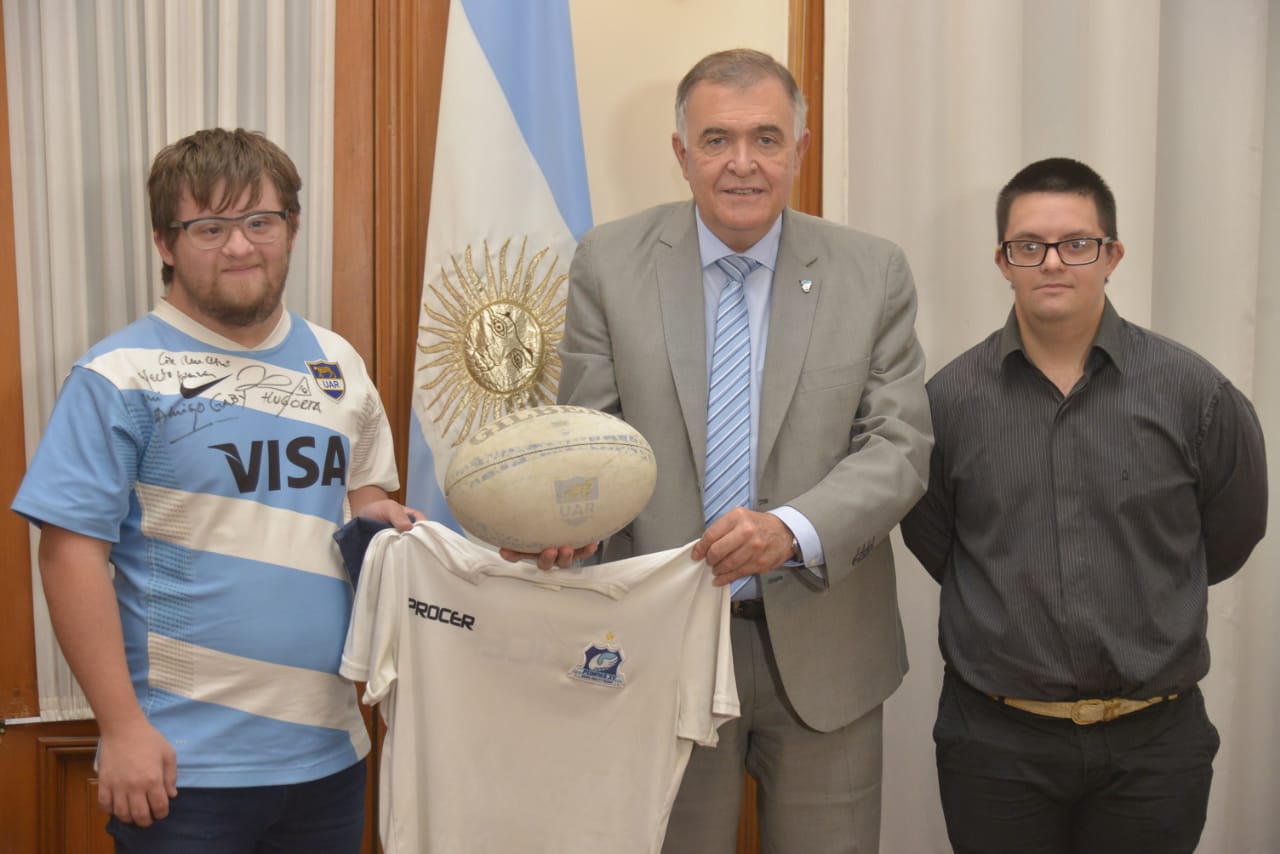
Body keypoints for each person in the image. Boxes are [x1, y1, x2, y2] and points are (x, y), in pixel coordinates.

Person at [553, 49, 932, 853]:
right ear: (681, 152)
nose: (743, 163)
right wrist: (563, 521)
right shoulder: (608, 263)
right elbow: (589, 438)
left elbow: (899, 446)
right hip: (659, 651)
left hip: (828, 652)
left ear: (801, 148)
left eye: (766, 138)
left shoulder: (872, 271)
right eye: (717, 139)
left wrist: (791, 529)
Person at [11, 128, 418, 853]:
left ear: (292, 228)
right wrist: (122, 728)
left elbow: (361, 507)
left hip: (331, 753)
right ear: (165, 243)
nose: (239, 247)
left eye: (260, 221)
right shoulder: (116, 375)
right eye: (209, 228)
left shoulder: (337, 361)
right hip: (180, 767)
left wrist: (397, 525)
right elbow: (69, 556)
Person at [901, 157, 1268, 854]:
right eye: (1028, 246)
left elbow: (1229, 538)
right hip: (996, 747)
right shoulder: (945, 405)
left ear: (1112, 256)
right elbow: (939, 544)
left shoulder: (1197, 395)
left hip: (1156, 745)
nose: (1052, 262)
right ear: (1003, 261)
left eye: (1077, 243)